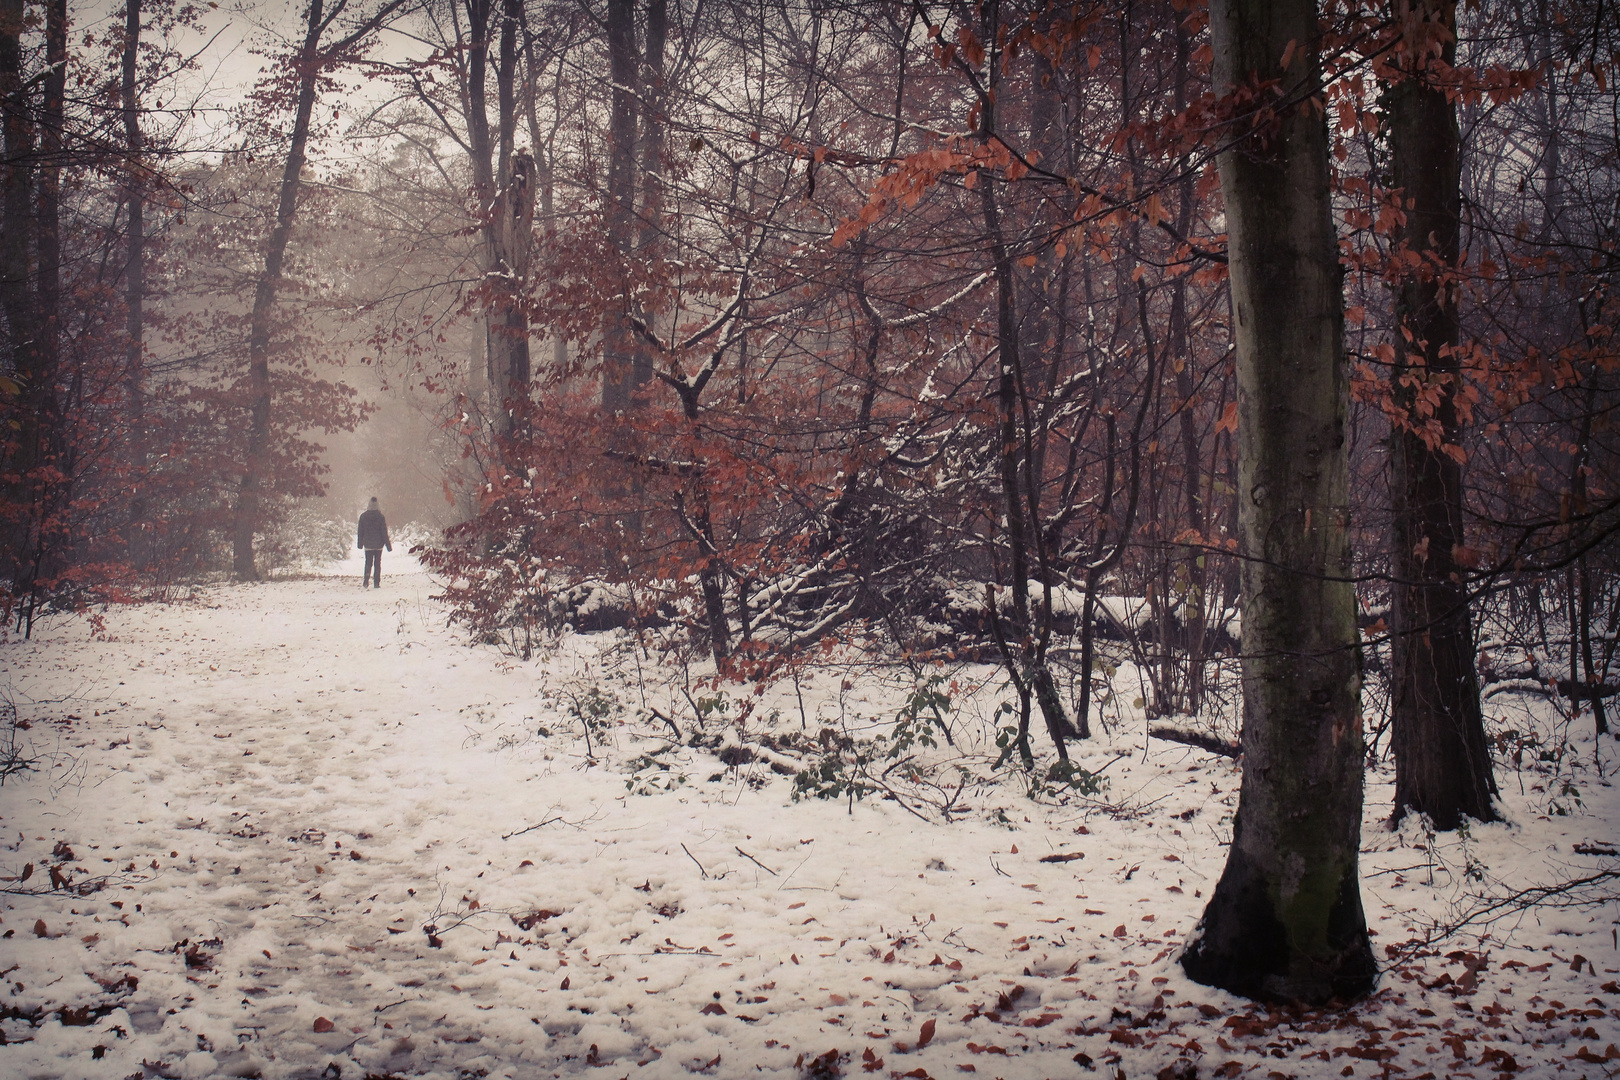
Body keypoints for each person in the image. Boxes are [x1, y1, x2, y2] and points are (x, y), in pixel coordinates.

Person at [356, 497, 391, 588]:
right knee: (377, 563)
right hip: (379, 544)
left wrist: (360, 544)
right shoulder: (380, 516)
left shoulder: (363, 516)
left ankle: (366, 579)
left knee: (368, 562)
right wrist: (388, 545)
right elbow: (384, 531)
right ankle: (376, 582)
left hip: (368, 544)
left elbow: (360, 531)